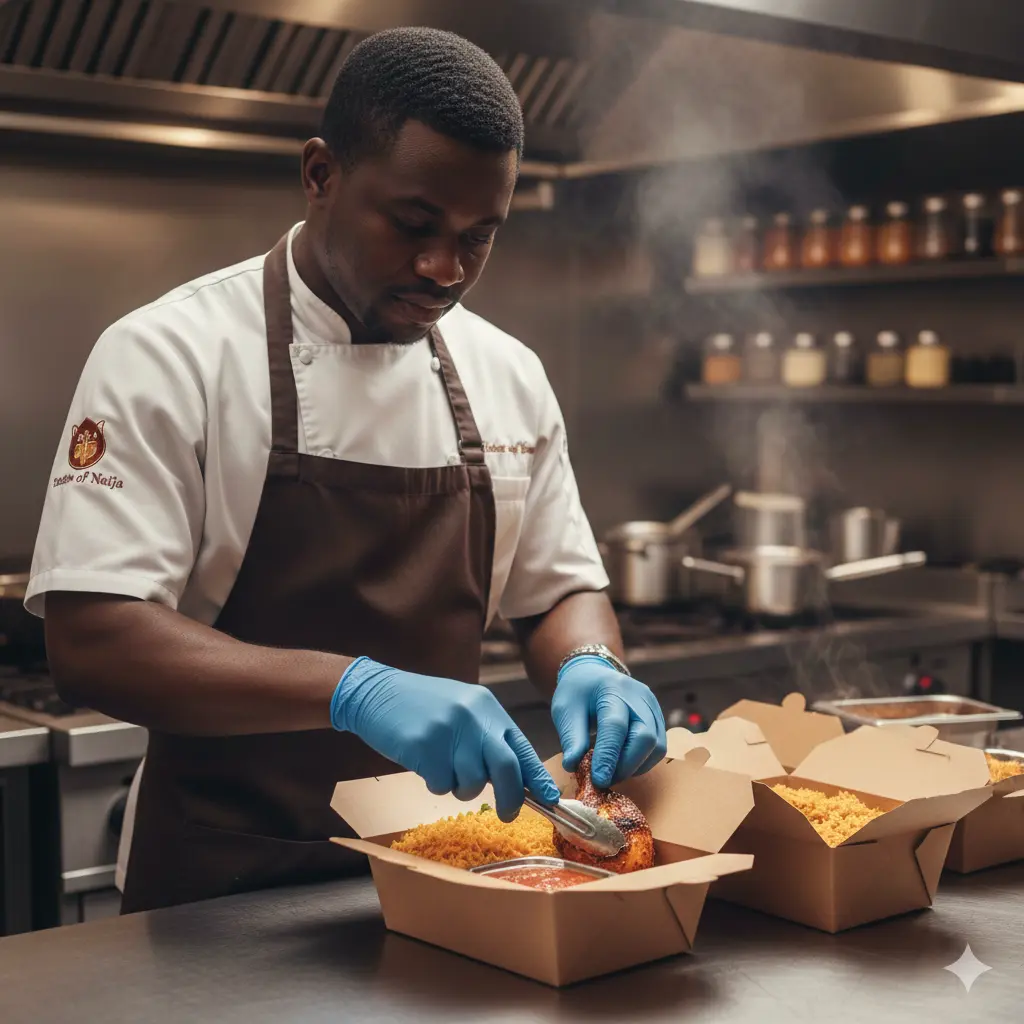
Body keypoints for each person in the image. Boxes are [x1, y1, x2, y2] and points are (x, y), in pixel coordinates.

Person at [26, 27, 666, 913]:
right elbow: (93, 638)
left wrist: (596, 663)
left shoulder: (507, 373)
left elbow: (557, 589)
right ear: (321, 174)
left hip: (451, 873)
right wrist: (352, 692)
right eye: (412, 225)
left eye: (479, 238)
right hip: (220, 888)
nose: (444, 270)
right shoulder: (169, 353)